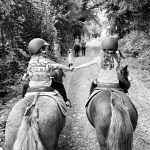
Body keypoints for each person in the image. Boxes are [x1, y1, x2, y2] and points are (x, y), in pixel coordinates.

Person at [22, 38, 72, 107]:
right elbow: (59, 66)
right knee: (60, 85)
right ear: (41, 50)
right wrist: (69, 69)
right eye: (44, 48)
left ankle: (23, 101)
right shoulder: (46, 61)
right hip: (45, 85)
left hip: (32, 85)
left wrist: (24, 77)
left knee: (25, 86)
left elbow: (27, 72)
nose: (46, 50)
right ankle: (66, 101)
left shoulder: (30, 62)